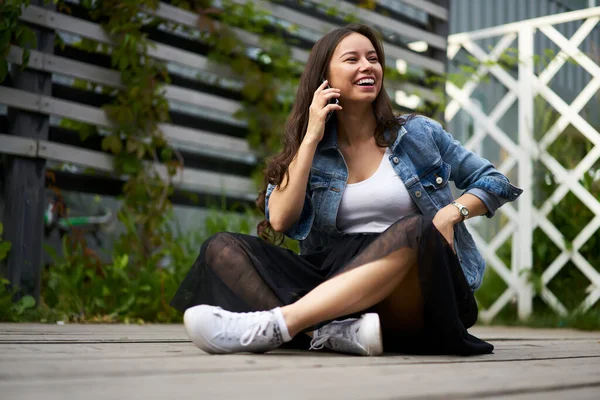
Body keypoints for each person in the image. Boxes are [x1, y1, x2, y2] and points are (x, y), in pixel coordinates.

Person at [170, 24, 522, 357]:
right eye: (352, 59)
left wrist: (449, 214)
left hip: (415, 285)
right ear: (324, 77)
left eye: (372, 58)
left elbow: (494, 181)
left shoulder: (418, 134)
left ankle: (281, 324)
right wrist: (310, 137)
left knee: (416, 229)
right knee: (222, 247)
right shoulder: (312, 149)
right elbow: (279, 219)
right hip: (335, 275)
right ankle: (328, 333)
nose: (367, 66)